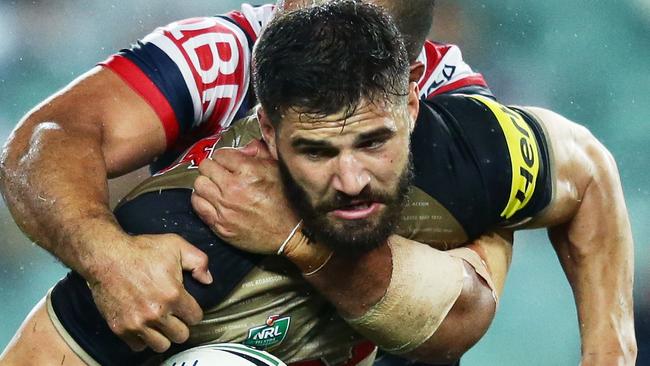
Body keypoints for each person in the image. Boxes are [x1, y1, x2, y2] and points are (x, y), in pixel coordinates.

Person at [0, 1, 635, 365]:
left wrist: (300, 239)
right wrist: (107, 256)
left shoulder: (465, 130)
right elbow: (47, 137)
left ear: (408, 85)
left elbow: (460, 320)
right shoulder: (225, 51)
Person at [190, 1, 636, 365]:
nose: (350, 179)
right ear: (268, 131)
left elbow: (463, 318)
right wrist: (115, 252)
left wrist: (610, 354)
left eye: (372, 142)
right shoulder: (177, 235)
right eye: (317, 150)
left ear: (409, 102)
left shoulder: (458, 148)